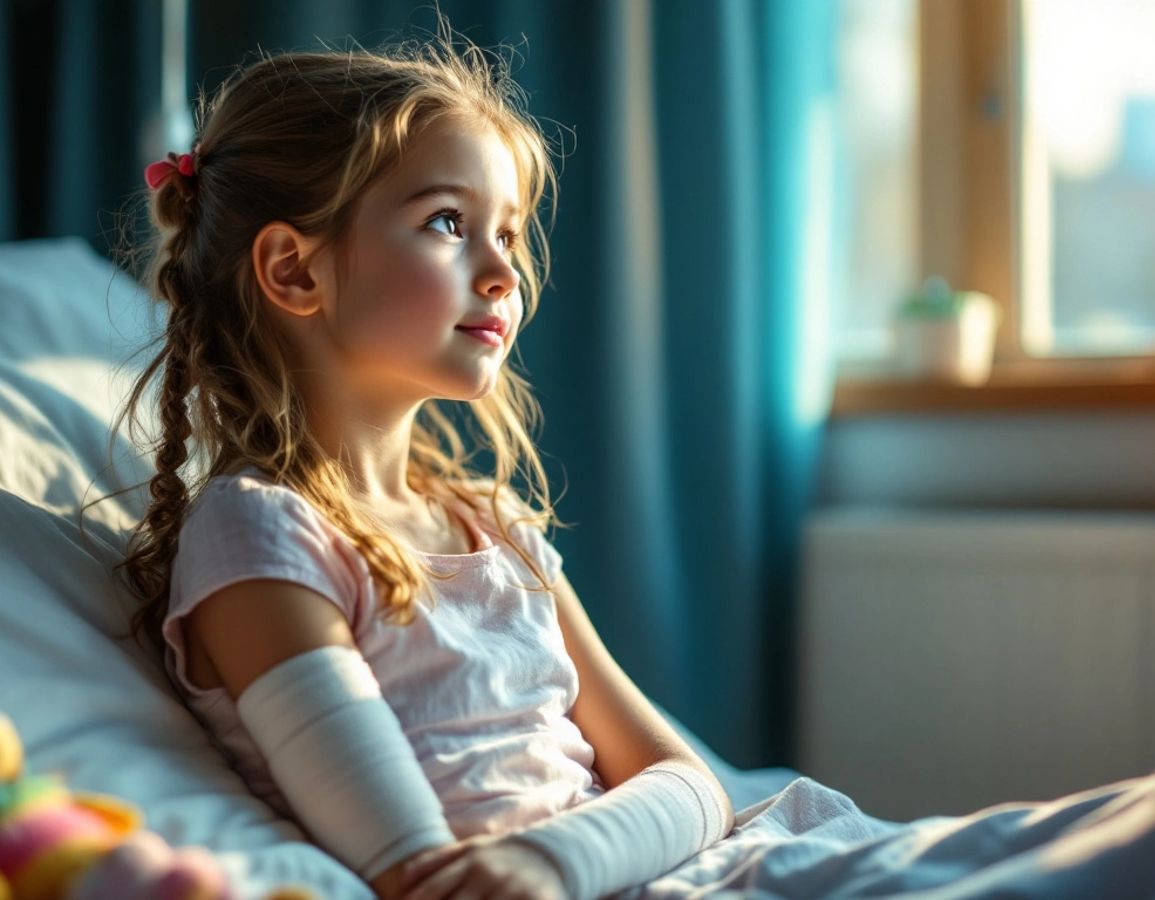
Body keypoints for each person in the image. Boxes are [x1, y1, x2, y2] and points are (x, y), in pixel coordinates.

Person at [104, 12, 734, 900]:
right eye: (449, 222)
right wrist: (555, 863)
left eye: (508, 233)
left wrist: (560, 858)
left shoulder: (496, 526)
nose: (504, 273)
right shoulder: (260, 539)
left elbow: (694, 783)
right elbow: (416, 869)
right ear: (293, 270)